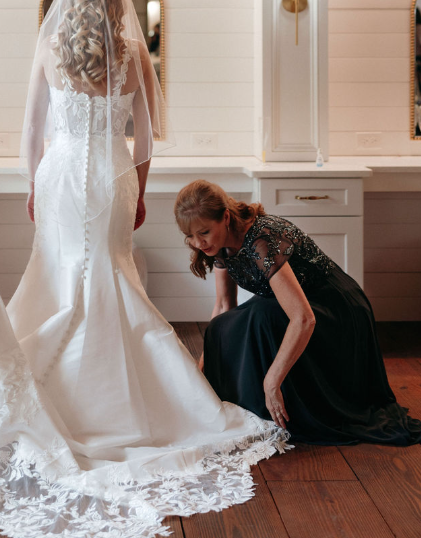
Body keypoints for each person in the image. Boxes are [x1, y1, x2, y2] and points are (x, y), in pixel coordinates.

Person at [0, 0, 287, 538]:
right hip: (111, 175)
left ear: (69, 2)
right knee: (110, 277)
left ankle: (47, 394)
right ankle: (142, 403)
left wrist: (33, 184)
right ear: (117, 2)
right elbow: (145, 136)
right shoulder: (131, 55)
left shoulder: (50, 47)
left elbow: (31, 130)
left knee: (55, 274)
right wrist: (139, 189)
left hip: (59, 179)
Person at [174, 179, 421, 445]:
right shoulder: (219, 244)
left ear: (225, 218)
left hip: (336, 310)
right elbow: (223, 307)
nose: (198, 243)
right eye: (190, 237)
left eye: (204, 233)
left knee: (261, 316)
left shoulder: (262, 238)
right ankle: (244, 404)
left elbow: (304, 318)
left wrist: (272, 381)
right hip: (296, 306)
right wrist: (204, 371)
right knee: (226, 324)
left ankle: (283, 402)